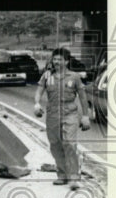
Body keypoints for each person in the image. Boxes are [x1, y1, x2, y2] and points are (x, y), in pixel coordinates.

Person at [33, 47, 91, 189]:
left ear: (66, 61)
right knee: (55, 145)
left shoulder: (75, 77)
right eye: (55, 59)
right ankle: (62, 175)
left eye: (60, 59)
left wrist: (85, 116)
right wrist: (36, 104)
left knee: (69, 143)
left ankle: (73, 177)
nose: (56, 62)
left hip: (70, 112)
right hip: (52, 113)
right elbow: (39, 90)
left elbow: (83, 97)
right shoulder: (47, 76)